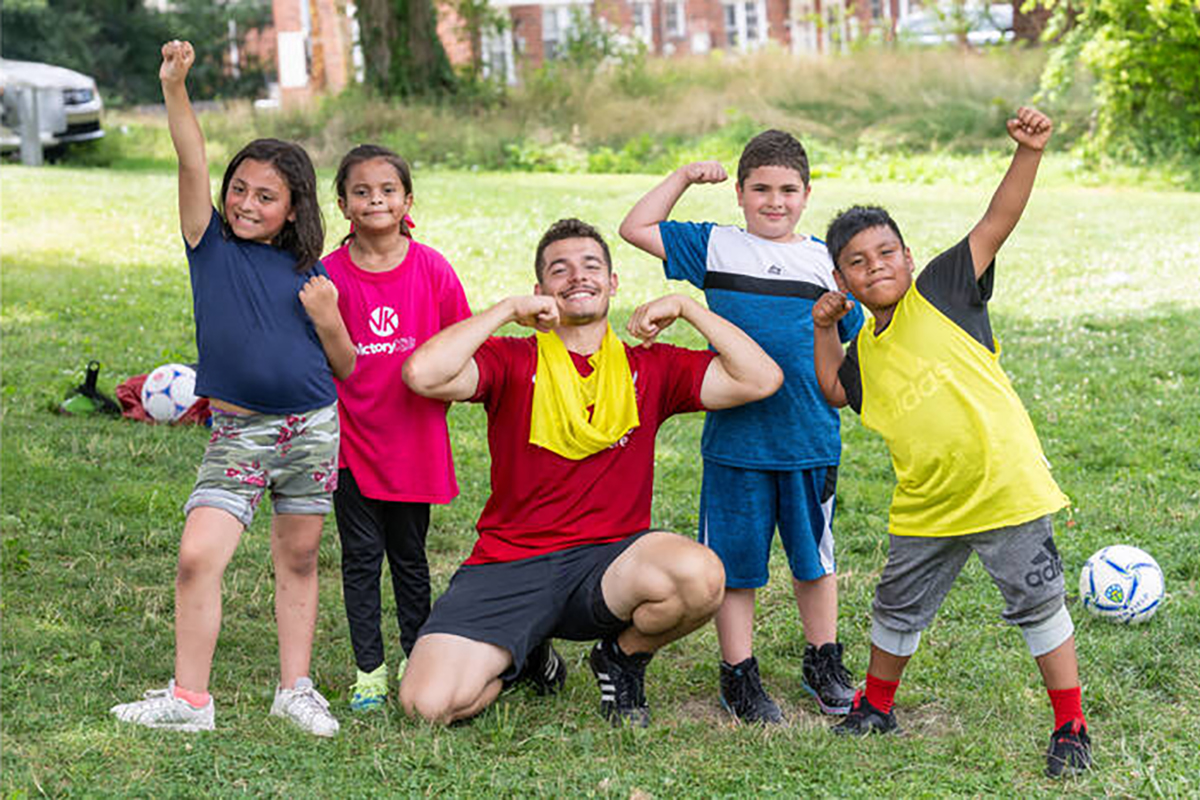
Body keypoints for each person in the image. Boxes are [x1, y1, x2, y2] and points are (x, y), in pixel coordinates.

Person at [397, 218, 784, 726]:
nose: (577, 277)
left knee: (701, 575)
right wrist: (506, 311)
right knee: (427, 706)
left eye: (591, 266)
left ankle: (620, 657)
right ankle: (527, 652)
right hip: (511, 561)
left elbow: (762, 378)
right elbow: (422, 374)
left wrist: (689, 308)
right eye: (560, 270)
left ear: (613, 283)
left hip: (609, 568)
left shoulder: (650, 367)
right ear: (542, 292)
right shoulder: (513, 359)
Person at [812, 107, 1091, 777]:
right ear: (842, 280)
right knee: (895, 607)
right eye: (857, 262)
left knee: (1038, 605)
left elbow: (998, 220)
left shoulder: (941, 290)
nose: (875, 265)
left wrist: (1029, 152)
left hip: (1004, 487)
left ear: (909, 257)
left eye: (886, 253)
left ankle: (1071, 725)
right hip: (927, 504)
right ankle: (875, 708)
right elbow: (833, 392)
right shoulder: (863, 349)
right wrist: (824, 328)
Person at [111, 41, 354, 737]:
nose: (246, 203)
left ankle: (296, 689)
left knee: (299, 557)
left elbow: (346, 369)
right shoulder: (207, 243)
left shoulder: (313, 273)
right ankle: (190, 701)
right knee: (197, 555)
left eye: (265, 196)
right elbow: (191, 157)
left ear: (293, 207)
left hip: (311, 427)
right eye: (240, 190)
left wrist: (329, 316)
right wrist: (175, 89)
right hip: (240, 433)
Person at [618, 131, 864, 723]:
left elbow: (853, 348)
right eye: (760, 189)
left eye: (787, 190)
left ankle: (823, 659)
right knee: (735, 567)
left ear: (807, 194)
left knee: (816, 561)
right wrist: (681, 177)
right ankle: (739, 673)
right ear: (739, 193)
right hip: (736, 444)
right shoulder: (716, 247)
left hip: (808, 438)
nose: (773, 202)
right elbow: (635, 227)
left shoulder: (829, 266)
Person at [322, 144, 471, 712]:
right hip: (351, 445)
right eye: (361, 191)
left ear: (407, 200)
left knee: (409, 556)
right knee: (361, 557)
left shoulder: (431, 268)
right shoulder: (328, 277)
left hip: (414, 442)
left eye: (387, 190)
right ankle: (369, 671)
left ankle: (417, 654)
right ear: (343, 205)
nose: (375, 200)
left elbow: (460, 346)